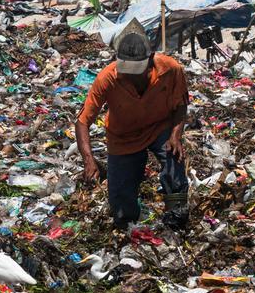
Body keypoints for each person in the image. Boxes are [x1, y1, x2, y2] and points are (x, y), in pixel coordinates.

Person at [75, 19, 190, 230]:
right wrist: (89, 160)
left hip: (159, 127)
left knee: (174, 163)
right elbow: (83, 122)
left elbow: (181, 105)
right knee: (121, 205)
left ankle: (176, 220)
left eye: (136, 71)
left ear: (150, 61)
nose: (131, 76)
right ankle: (129, 227)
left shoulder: (170, 69)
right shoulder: (107, 78)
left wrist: (175, 136)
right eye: (126, 70)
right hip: (123, 136)